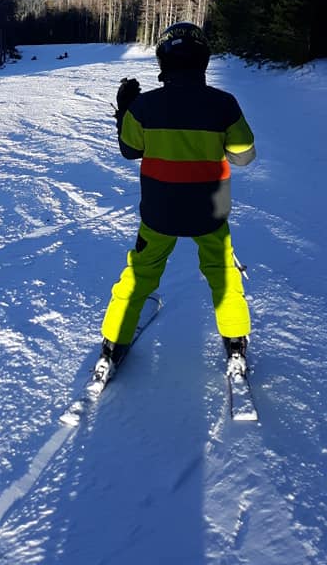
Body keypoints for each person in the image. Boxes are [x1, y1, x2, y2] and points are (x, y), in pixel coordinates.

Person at [94, 21, 256, 385]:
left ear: (163, 62)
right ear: (203, 61)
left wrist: (125, 112)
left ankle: (111, 346)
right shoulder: (223, 104)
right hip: (210, 213)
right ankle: (235, 344)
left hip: (159, 213)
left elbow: (128, 151)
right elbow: (245, 157)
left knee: (138, 275)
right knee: (224, 276)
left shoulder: (146, 106)